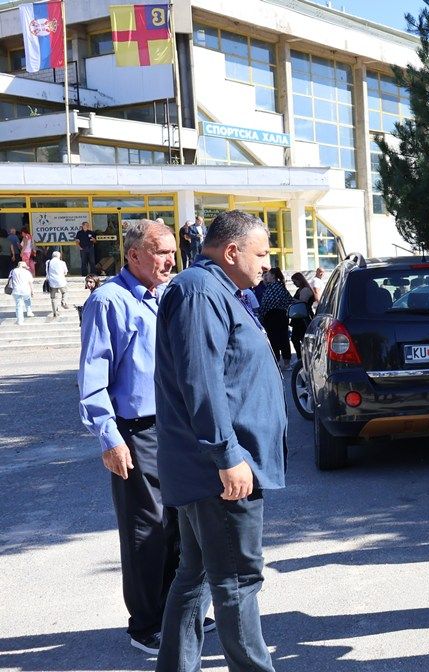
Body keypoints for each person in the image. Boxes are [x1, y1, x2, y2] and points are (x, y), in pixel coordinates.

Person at [154, 209, 286, 672]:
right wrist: (227, 456)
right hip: (220, 471)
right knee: (238, 580)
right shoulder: (200, 291)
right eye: (261, 254)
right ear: (231, 251)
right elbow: (202, 382)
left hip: (214, 467)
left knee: (196, 576)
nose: (267, 264)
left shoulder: (216, 290)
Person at [77, 220, 200, 655]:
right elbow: (93, 377)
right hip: (137, 431)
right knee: (146, 529)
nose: (171, 260)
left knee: (180, 523)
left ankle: (176, 611)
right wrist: (109, 437)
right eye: (161, 252)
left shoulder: (167, 295)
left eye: (172, 251)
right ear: (133, 255)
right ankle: (146, 624)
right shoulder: (108, 301)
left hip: (176, 426)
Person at [258, 268, 293, 367]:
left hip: (271, 317)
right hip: (283, 316)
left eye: (268, 275)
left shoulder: (271, 288)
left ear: (273, 276)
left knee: (274, 340)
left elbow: (265, 304)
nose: (266, 277)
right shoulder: (281, 287)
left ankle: (277, 362)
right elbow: (289, 300)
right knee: (284, 339)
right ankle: (287, 363)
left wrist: (261, 316)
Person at [289, 272, 315, 356]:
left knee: (302, 338)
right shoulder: (299, 290)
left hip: (303, 317)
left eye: (295, 281)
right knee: (296, 338)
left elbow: (303, 303)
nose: (294, 283)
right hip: (299, 317)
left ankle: (304, 356)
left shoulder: (305, 290)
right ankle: (301, 356)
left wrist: (291, 300)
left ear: (299, 280)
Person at [8, 260, 34, 324]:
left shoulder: (13, 271)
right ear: (24, 267)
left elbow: (9, 279)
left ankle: (20, 320)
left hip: (16, 290)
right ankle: (29, 311)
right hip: (26, 289)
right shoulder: (27, 272)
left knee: (18, 305)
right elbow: (30, 282)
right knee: (27, 299)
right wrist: (32, 291)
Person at [45, 250, 69, 318]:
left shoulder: (48, 262)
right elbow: (65, 272)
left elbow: (46, 271)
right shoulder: (62, 262)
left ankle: (55, 313)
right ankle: (63, 301)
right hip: (61, 281)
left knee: (53, 298)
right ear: (59, 256)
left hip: (52, 282)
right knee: (65, 292)